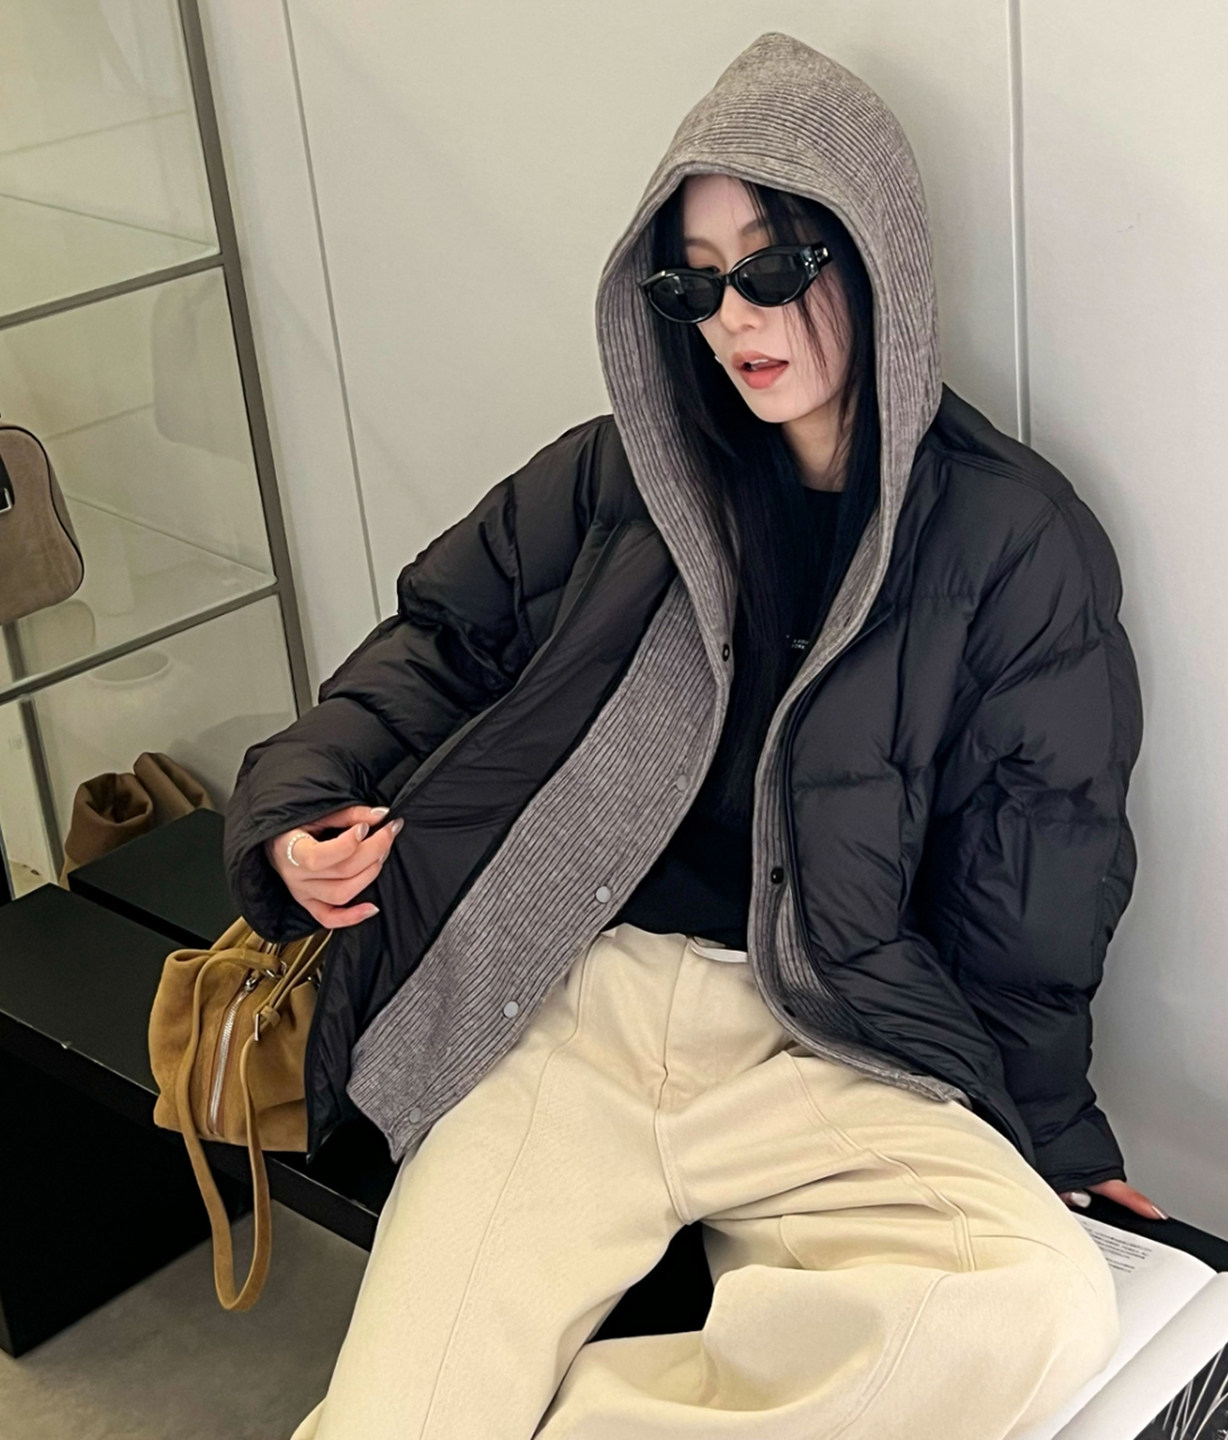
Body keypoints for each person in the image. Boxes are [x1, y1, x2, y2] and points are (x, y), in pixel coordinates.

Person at [223, 30, 1159, 1440]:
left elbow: (1037, 879)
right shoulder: (620, 479)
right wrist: (297, 805)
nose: (736, 319)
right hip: (569, 1006)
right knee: (398, 1418)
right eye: (696, 282)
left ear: (876, 260)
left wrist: (1058, 1132)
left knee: (1040, 1307)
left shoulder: (1012, 540)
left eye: (774, 268)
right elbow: (436, 641)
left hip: (821, 1035)